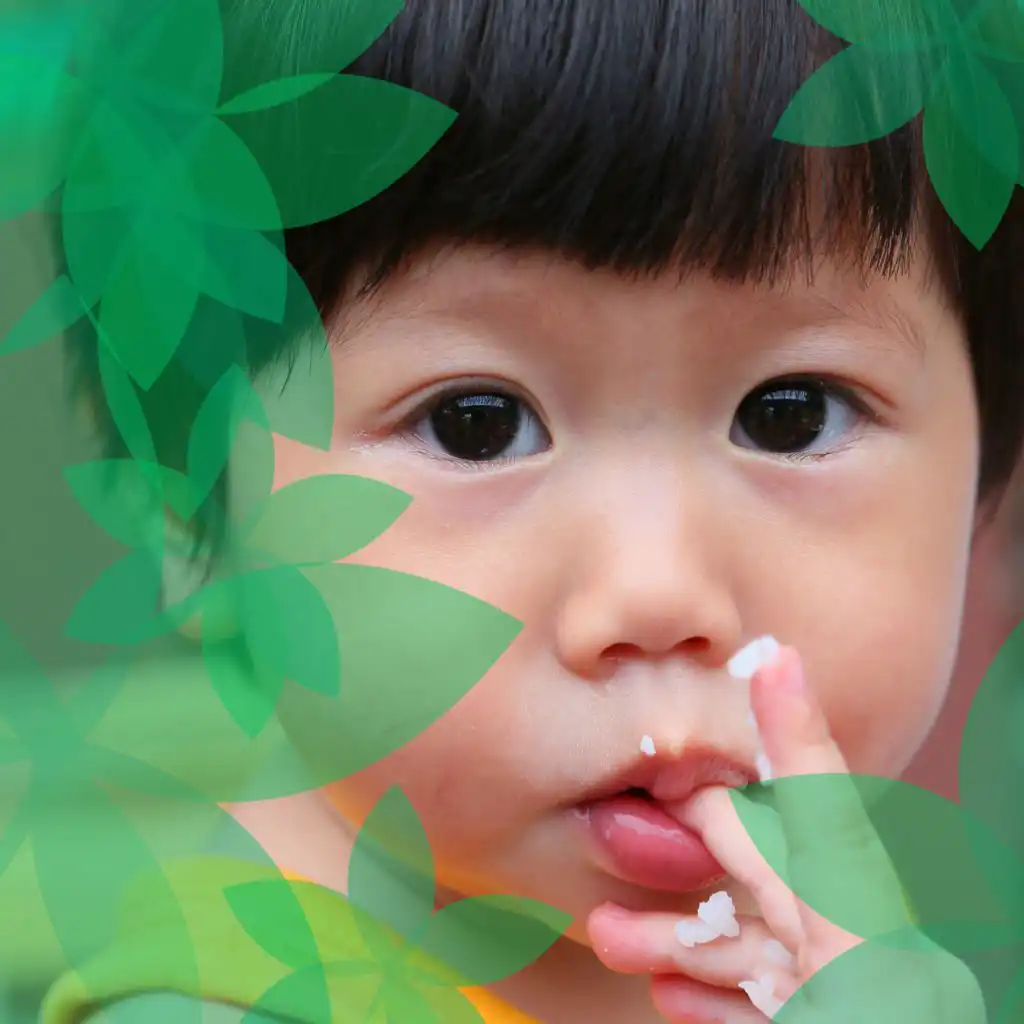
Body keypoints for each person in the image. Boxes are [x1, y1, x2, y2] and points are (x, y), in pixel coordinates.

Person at [46, 0, 1024, 1020]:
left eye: (790, 415)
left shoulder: (825, 930)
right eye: (477, 423)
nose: (657, 591)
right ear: (191, 516)